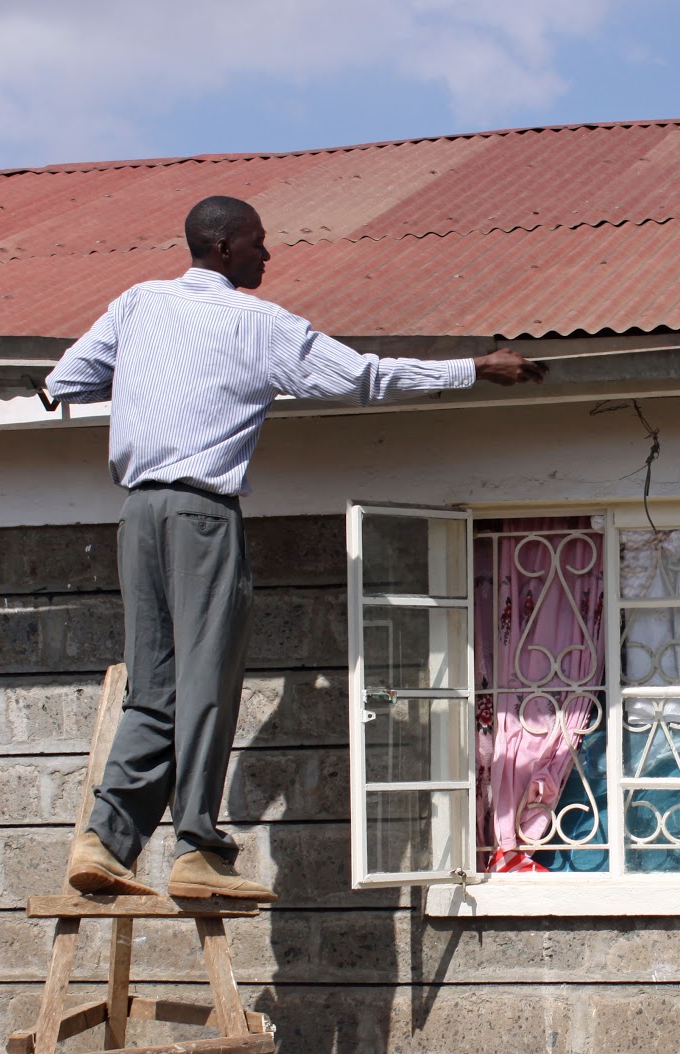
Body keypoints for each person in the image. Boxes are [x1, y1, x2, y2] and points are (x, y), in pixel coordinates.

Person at [46, 195, 546, 902]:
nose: (267, 254)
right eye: (258, 242)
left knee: (151, 689)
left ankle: (105, 840)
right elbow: (363, 377)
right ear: (224, 247)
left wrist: (148, 375)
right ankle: (196, 850)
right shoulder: (258, 324)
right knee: (206, 684)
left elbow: (65, 381)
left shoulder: (136, 305)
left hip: (138, 515)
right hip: (201, 515)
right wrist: (473, 368)